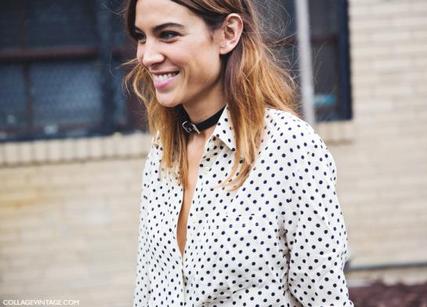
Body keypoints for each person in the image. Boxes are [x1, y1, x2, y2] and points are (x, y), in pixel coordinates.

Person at [124, 0, 354, 306]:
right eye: (141, 37)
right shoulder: (162, 152)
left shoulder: (290, 147)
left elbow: (324, 299)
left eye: (167, 35)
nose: (147, 56)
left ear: (228, 33)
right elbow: (148, 292)